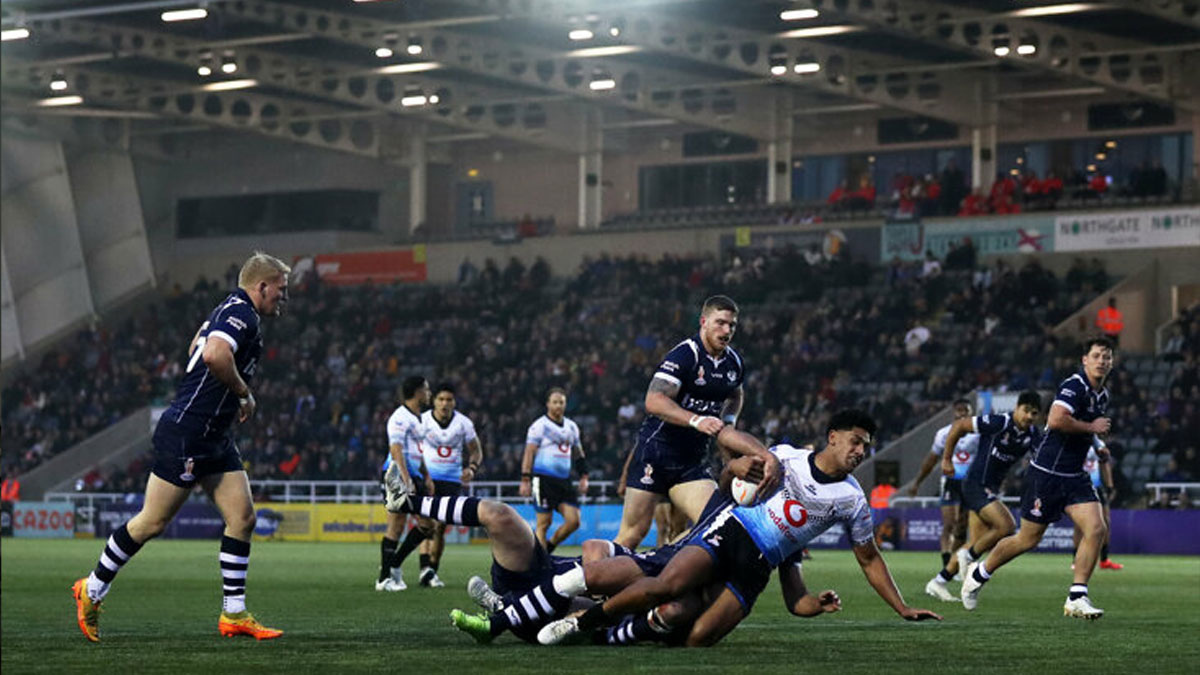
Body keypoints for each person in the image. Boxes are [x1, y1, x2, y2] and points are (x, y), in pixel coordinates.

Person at [539, 411, 942, 646]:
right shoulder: (785, 457)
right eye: (855, 441)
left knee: (698, 639)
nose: (860, 451)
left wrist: (902, 607)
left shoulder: (852, 500)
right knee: (666, 584)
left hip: (758, 565)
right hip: (733, 531)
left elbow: (869, 559)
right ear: (832, 438)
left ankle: (628, 628)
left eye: (866, 446)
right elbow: (731, 448)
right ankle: (584, 622)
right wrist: (734, 458)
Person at [72, 252, 291, 642]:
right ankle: (92, 587)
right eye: (281, 289)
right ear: (261, 286)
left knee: (242, 518)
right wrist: (242, 393)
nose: (283, 297)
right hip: (188, 433)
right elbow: (212, 353)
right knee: (152, 522)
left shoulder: (228, 309)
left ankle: (234, 613)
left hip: (213, 435)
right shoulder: (242, 313)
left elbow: (196, 346)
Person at [961, 337, 1115, 619]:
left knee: (1096, 528)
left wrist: (1096, 441)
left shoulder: (1102, 395)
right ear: (1085, 360)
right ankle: (979, 572)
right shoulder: (1074, 386)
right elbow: (1056, 420)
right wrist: (1091, 427)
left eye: (1107, 357)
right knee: (1027, 539)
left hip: (1075, 475)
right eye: (1096, 356)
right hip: (1047, 474)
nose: (1102, 361)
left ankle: (1077, 596)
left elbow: (1084, 428)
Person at [615, 295, 756, 548]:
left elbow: (736, 394)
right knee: (632, 535)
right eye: (720, 323)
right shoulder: (685, 355)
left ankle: (661, 567)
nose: (726, 331)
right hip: (656, 453)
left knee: (716, 523)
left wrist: (729, 421)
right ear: (704, 322)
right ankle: (589, 574)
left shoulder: (733, 362)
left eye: (732, 325)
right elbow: (654, 400)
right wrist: (696, 420)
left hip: (692, 461)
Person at [923, 391, 1042, 602]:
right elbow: (959, 426)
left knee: (977, 542)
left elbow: (1042, 461)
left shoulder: (1033, 435)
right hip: (975, 485)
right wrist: (947, 460)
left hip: (991, 489)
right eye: (1026, 411)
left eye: (1034, 413)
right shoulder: (999, 422)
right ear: (1017, 408)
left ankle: (939, 581)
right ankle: (967, 557)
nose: (1029, 417)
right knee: (1007, 526)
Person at [418, 383, 484, 587]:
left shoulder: (464, 423)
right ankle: (425, 570)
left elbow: (476, 450)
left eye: (449, 400)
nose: (445, 404)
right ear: (433, 401)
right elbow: (413, 448)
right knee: (426, 525)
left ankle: (432, 569)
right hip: (428, 479)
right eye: (441, 399)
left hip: (451, 481)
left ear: (454, 402)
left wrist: (471, 468)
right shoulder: (423, 420)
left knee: (440, 527)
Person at [906, 399, 978, 578]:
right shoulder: (944, 433)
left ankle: (954, 562)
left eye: (966, 410)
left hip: (969, 482)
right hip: (950, 481)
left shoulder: (978, 433)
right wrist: (917, 483)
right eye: (959, 410)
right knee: (949, 523)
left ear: (971, 412)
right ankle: (946, 561)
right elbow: (931, 460)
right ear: (954, 412)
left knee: (962, 526)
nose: (962, 414)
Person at [376, 375, 432, 591]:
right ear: (417, 392)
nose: (429, 393)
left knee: (428, 525)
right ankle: (383, 579)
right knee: (396, 524)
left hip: (415, 475)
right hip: (397, 475)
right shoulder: (399, 417)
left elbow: (419, 451)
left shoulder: (419, 418)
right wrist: (405, 478)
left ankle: (394, 564)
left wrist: (426, 476)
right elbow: (396, 449)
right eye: (426, 389)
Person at [520, 388, 589, 554]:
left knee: (574, 521)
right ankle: (541, 562)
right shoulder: (539, 426)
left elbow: (578, 454)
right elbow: (529, 453)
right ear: (548, 404)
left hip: (564, 480)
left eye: (561, 402)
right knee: (544, 523)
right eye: (555, 402)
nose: (558, 405)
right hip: (543, 479)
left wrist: (584, 476)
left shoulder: (572, 427)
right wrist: (525, 479)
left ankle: (549, 546)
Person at [1077, 437, 1123, 570]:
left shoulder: (1099, 444)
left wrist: (1109, 485)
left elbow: (1104, 463)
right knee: (1078, 526)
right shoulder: (1077, 440)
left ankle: (1104, 559)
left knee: (1106, 521)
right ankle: (1075, 560)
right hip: (1080, 485)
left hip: (1096, 486)